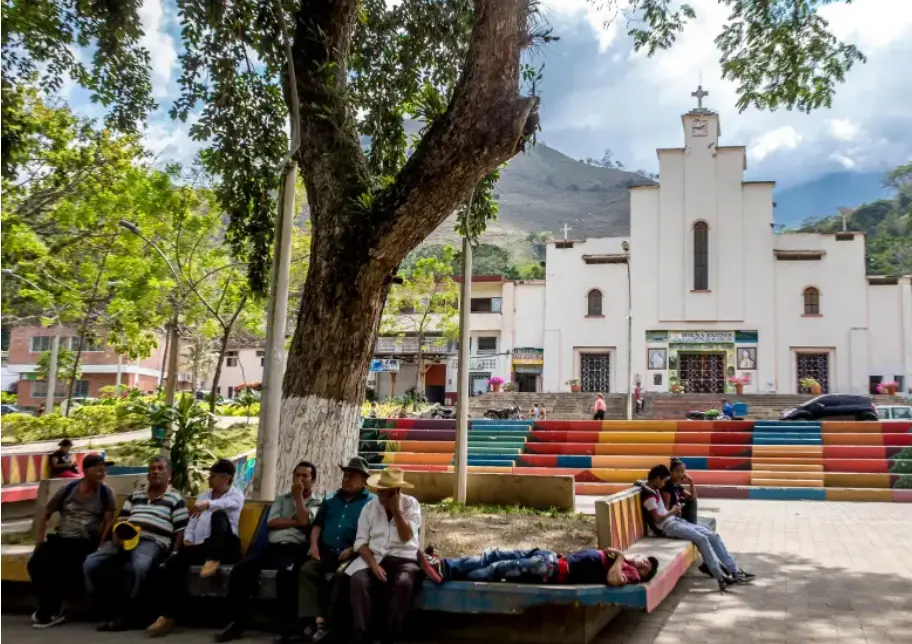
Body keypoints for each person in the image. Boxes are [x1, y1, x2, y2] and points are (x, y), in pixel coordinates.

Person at [215, 460, 324, 643]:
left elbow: (306, 521)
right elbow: (272, 523)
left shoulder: (318, 502)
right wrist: (296, 521)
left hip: (296, 548)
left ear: (313, 481)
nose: (299, 479)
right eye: (296, 475)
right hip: (272, 546)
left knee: (287, 575)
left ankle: (286, 628)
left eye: (304, 476)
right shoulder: (282, 499)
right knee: (243, 569)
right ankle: (237, 622)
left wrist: (298, 499)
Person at [83, 456, 189, 631]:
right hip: (124, 538)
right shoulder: (136, 496)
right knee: (90, 563)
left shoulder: (175, 498)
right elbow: (121, 519)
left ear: (169, 474)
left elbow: (180, 530)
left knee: (139, 566)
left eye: (160, 468)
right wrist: (117, 533)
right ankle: (102, 609)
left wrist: (174, 553)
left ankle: (127, 614)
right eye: (152, 468)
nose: (155, 472)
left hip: (152, 541)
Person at [147, 459, 245, 636]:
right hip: (204, 546)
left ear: (227, 479)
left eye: (213, 476)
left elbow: (224, 505)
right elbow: (192, 520)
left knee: (219, 515)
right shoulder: (203, 496)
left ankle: (213, 559)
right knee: (174, 563)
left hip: (227, 548)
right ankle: (168, 616)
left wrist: (209, 505)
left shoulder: (236, 495)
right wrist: (188, 539)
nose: (210, 479)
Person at [28, 454, 116, 628]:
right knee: (36, 563)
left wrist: (101, 544)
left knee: (66, 565)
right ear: (86, 470)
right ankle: (51, 608)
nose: (102, 471)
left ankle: (50, 611)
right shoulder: (68, 489)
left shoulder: (106, 492)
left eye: (104, 467)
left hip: (85, 540)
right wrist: (39, 539)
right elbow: (46, 513)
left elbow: (109, 521)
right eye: (98, 467)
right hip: (62, 537)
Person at [298, 457, 374, 643]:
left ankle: (332, 625)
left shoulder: (372, 503)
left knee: (341, 577)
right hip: (326, 551)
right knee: (308, 570)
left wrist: (352, 549)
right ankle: (316, 621)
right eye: (345, 475)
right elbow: (317, 525)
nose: (346, 479)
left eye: (351, 476)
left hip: (353, 554)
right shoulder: (331, 498)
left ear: (363, 480)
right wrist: (314, 545)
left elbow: (374, 534)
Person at [642, 465, 754, 591]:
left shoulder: (653, 489)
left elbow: (642, 484)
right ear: (657, 478)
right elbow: (657, 519)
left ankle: (734, 571)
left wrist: (672, 513)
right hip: (669, 526)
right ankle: (721, 577)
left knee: (713, 536)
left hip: (676, 521)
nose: (663, 484)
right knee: (702, 539)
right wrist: (672, 511)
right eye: (663, 481)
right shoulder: (649, 497)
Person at [347, 467, 421, 644]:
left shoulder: (411, 505)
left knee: (404, 583)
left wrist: (396, 510)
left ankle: (390, 636)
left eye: (384, 493)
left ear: (396, 492)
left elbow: (406, 537)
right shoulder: (369, 508)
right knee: (358, 581)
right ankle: (362, 636)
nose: (379, 497)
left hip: (404, 558)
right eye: (379, 492)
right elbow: (361, 542)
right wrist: (373, 565)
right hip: (375, 557)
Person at [429, 546, 658, 586]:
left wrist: (618, 557)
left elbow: (613, 580)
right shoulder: (625, 561)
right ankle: (445, 566)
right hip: (550, 558)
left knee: (496, 569)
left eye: (646, 567)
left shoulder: (630, 572)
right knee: (494, 555)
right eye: (646, 559)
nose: (643, 563)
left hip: (551, 570)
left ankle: (447, 574)